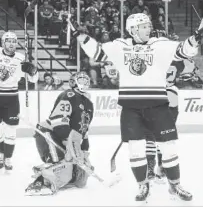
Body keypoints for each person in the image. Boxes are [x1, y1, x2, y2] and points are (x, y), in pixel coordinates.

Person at [68, 13, 203, 201]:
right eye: (144, 26)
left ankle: (175, 185)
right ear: (133, 29)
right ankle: (143, 185)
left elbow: (184, 51)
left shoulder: (160, 44)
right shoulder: (120, 46)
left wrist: (196, 37)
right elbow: (97, 52)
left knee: (169, 147)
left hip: (158, 105)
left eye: (149, 25)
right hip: (131, 108)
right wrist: (81, 37)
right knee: (136, 149)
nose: (149, 28)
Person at [25, 71, 94, 196]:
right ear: (74, 82)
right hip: (49, 134)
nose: (83, 83)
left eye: (86, 80)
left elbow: (84, 130)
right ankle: (41, 181)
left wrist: (83, 151)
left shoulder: (89, 104)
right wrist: (68, 143)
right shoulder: (69, 95)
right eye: (80, 80)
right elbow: (58, 121)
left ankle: (49, 169)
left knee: (80, 179)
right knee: (61, 163)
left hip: (67, 138)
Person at [0, 31, 38, 171]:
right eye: (8, 41)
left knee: (10, 130)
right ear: (3, 42)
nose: (11, 44)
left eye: (14, 41)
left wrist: (32, 70)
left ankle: (7, 158)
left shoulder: (21, 59)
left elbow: (34, 79)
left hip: (11, 98)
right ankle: (2, 154)